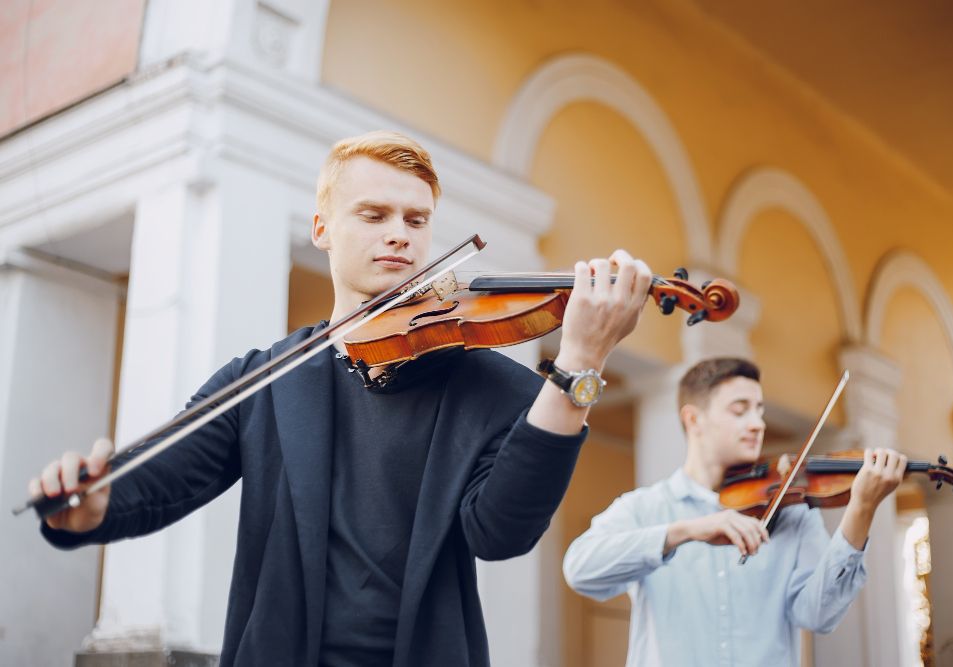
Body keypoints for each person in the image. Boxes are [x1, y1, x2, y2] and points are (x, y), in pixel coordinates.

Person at [31, 130, 653, 666]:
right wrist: (92, 507)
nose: (400, 237)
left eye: (416, 221)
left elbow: (501, 534)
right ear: (323, 229)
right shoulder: (265, 379)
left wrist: (580, 363)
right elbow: (163, 481)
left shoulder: (492, 385)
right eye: (374, 215)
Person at [563, 357, 906, 667]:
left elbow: (818, 615)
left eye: (759, 410)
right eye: (740, 410)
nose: (758, 423)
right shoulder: (646, 507)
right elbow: (580, 570)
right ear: (694, 419)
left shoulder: (790, 510)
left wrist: (862, 508)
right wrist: (684, 532)